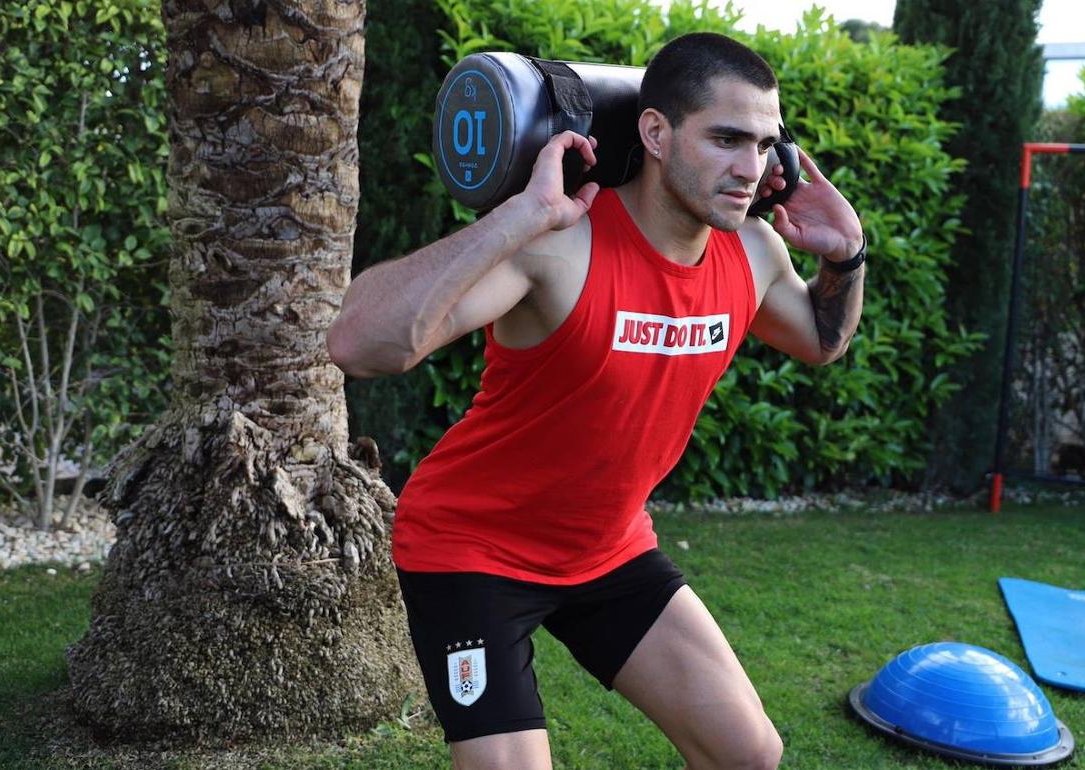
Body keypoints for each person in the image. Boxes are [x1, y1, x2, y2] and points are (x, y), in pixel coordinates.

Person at [328, 31, 865, 770]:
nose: (752, 169)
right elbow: (357, 342)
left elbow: (822, 341)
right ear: (655, 132)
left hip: (607, 550)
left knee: (750, 754)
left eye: (768, 144)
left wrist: (846, 254)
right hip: (474, 550)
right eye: (728, 139)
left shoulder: (753, 253)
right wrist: (517, 218)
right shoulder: (559, 247)